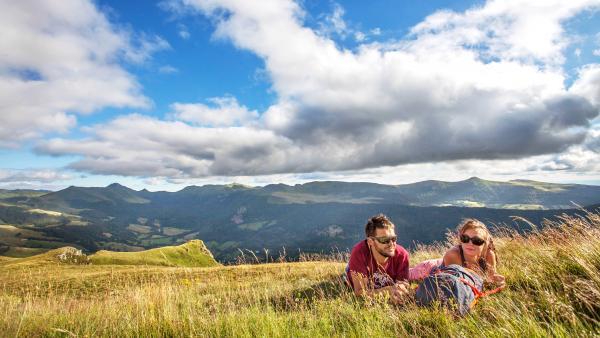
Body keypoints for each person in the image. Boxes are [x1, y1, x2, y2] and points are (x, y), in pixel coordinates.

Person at [346, 214, 410, 304]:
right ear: (370, 241)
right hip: (356, 266)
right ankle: (348, 268)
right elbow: (360, 293)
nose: (391, 244)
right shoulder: (359, 253)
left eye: (393, 238)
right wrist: (388, 290)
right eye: (385, 240)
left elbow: (403, 284)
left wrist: (399, 291)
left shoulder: (402, 255)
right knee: (348, 271)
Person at [442, 218, 505, 285]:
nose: (470, 243)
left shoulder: (488, 255)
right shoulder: (453, 255)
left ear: (485, 243)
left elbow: (491, 279)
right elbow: (453, 282)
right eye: (465, 238)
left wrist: (496, 280)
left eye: (476, 240)